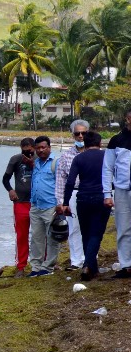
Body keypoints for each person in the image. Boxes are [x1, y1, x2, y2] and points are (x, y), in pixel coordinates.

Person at [63, 131, 110, 281]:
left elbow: (70, 182)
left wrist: (65, 202)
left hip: (82, 198)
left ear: (85, 143)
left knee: (86, 233)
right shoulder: (106, 157)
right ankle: (87, 265)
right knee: (96, 233)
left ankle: (92, 268)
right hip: (101, 197)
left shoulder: (79, 158)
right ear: (100, 142)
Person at [55, 119, 89, 271]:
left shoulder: (97, 153)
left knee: (90, 226)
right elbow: (61, 179)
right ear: (73, 135)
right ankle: (76, 261)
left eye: (84, 133)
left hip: (90, 192)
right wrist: (61, 201)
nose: (81, 136)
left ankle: (90, 258)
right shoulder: (66, 155)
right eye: (77, 133)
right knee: (74, 228)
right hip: (73, 193)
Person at [103, 108, 131, 278]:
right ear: (127, 119)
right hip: (122, 190)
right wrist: (107, 194)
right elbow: (107, 169)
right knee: (123, 227)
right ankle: (126, 264)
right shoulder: (116, 140)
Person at [2, 138, 35, 277]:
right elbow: (5, 178)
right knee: (21, 235)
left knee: (42, 235)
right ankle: (21, 265)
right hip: (21, 202)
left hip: (38, 202)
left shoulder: (40, 159)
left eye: (30, 149)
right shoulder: (15, 159)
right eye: (24, 149)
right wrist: (10, 190)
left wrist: (34, 162)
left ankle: (45, 262)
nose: (27, 152)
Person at [28, 136, 60, 277]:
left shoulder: (56, 163)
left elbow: (61, 184)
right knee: (36, 238)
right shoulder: (36, 163)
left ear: (49, 148)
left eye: (43, 147)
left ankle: (48, 267)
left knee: (52, 238)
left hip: (51, 206)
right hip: (36, 206)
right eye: (38, 148)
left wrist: (61, 204)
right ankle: (35, 267)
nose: (41, 150)